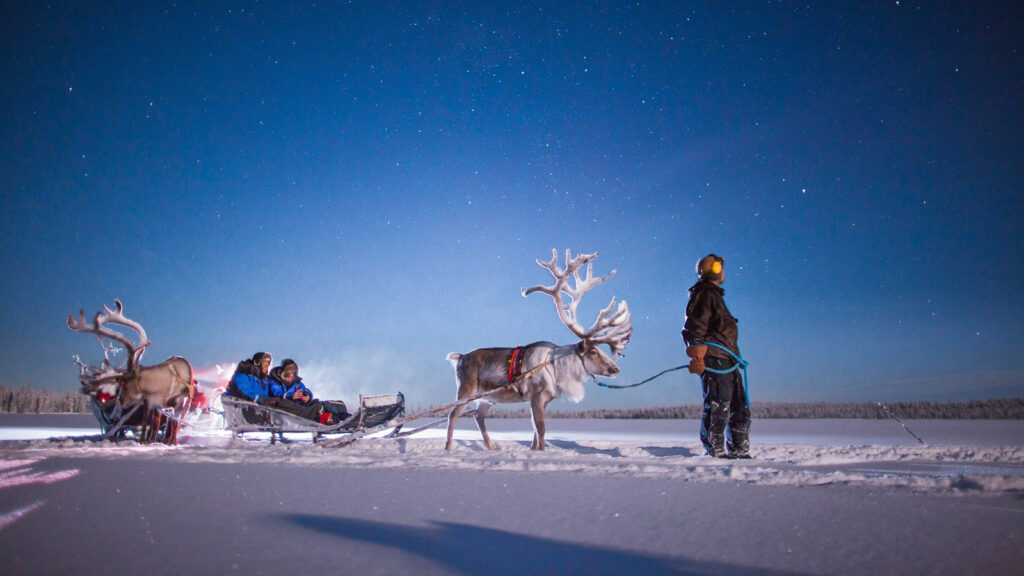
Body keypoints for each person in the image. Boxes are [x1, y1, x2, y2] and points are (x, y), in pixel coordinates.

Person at [681, 254, 751, 459]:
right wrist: (697, 354)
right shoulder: (704, 294)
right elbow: (694, 326)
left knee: (740, 407)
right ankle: (715, 451)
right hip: (715, 359)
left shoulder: (714, 296)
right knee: (719, 407)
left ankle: (740, 450)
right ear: (716, 269)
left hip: (728, 360)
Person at [226, 352, 328, 424]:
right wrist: (266, 400)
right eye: (265, 366)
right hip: (250, 411)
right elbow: (245, 393)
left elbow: (270, 393)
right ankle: (315, 414)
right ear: (257, 364)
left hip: (263, 409)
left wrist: (307, 396)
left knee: (287, 403)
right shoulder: (242, 376)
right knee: (283, 403)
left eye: (268, 366)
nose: (267, 369)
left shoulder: (264, 379)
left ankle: (324, 414)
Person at [268, 358, 350, 424]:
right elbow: (276, 393)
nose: (290, 378)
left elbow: (306, 391)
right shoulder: (275, 381)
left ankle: (347, 417)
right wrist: (290, 396)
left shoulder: (297, 383)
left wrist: (307, 396)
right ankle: (333, 420)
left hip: (301, 405)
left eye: (292, 375)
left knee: (325, 405)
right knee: (318, 407)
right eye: (288, 375)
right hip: (291, 408)